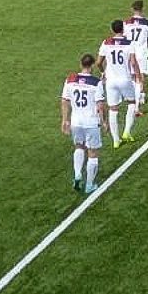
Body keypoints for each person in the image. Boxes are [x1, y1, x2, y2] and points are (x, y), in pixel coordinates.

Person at [60, 54, 105, 193]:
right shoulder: (96, 82)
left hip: (76, 121)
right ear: (92, 66)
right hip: (91, 122)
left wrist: (65, 120)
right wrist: (104, 122)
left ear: (81, 64)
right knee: (92, 153)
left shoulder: (70, 79)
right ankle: (90, 185)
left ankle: (78, 173)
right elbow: (100, 105)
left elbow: (65, 100)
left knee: (79, 147)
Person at [98, 20, 142, 149]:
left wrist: (103, 72)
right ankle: (127, 132)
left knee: (113, 109)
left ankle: (116, 140)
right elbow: (133, 62)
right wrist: (138, 76)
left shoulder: (106, 43)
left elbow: (98, 62)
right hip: (125, 78)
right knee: (132, 103)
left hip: (111, 80)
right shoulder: (129, 43)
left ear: (112, 30)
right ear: (123, 29)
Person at [123, 0, 148, 111]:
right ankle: (141, 96)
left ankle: (132, 97)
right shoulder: (147, 23)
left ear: (132, 9)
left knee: (132, 75)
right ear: (142, 9)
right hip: (142, 51)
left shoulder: (126, 23)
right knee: (141, 75)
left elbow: (124, 38)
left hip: (130, 52)